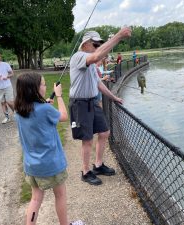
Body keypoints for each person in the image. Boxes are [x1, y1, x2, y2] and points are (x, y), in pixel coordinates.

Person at [14, 72, 83, 225]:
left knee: (36, 199)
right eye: (43, 84)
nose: (45, 86)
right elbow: (64, 117)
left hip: (32, 165)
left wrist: (45, 104)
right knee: (60, 195)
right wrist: (58, 96)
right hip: (51, 164)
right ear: (35, 89)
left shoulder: (19, 112)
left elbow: (37, 115)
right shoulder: (45, 110)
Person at [69, 28, 131, 185]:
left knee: (104, 132)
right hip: (80, 103)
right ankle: (85, 171)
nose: (98, 48)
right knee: (87, 139)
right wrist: (119, 36)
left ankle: (97, 165)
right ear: (87, 44)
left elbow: (98, 83)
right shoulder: (79, 57)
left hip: (92, 102)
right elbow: (97, 56)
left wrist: (114, 97)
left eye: (99, 45)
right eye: (96, 44)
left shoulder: (90, 63)